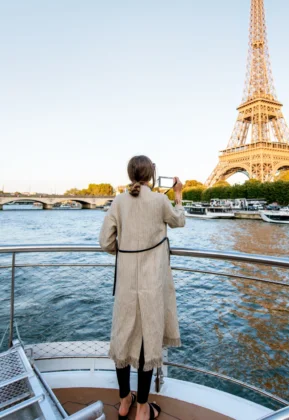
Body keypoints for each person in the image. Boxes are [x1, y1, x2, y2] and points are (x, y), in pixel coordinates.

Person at [99, 155, 185, 420]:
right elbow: (179, 221)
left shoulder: (119, 201)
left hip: (126, 282)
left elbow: (105, 241)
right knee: (148, 340)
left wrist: (123, 253)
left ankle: (125, 400)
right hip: (152, 283)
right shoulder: (161, 200)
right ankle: (143, 407)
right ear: (150, 175)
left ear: (130, 175)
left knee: (123, 338)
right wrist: (179, 194)